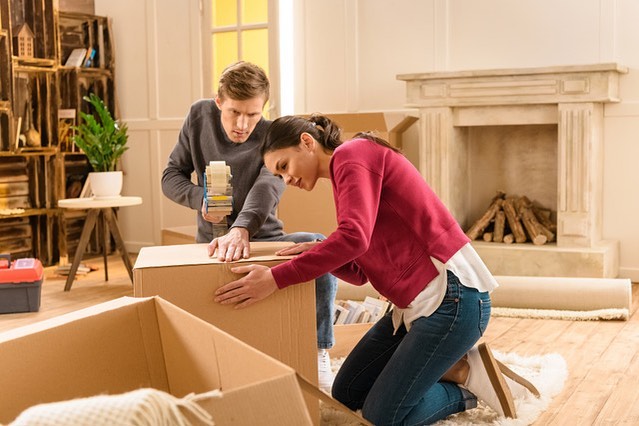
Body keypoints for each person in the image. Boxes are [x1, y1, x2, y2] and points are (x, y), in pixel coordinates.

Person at [213, 114, 539, 424]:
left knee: (383, 418)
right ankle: (448, 366)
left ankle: (464, 386)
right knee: (347, 391)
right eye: (278, 175)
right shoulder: (345, 174)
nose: (287, 179)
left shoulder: (353, 155)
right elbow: (361, 271)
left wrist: (275, 278)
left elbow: (353, 239)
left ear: (307, 142)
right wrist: (321, 251)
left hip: (452, 301)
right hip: (415, 307)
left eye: (284, 166)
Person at [161, 62, 338, 391]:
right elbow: (170, 176)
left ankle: (319, 351)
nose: (242, 125)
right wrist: (199, 198)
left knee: (319, 244)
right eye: (234, 112)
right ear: (218, 101)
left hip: (264, 239)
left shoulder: (272, 135)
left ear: (264, 109)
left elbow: (266, 188)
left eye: (253, 115)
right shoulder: (198, 117)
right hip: (212, 246)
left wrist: (241, 228)